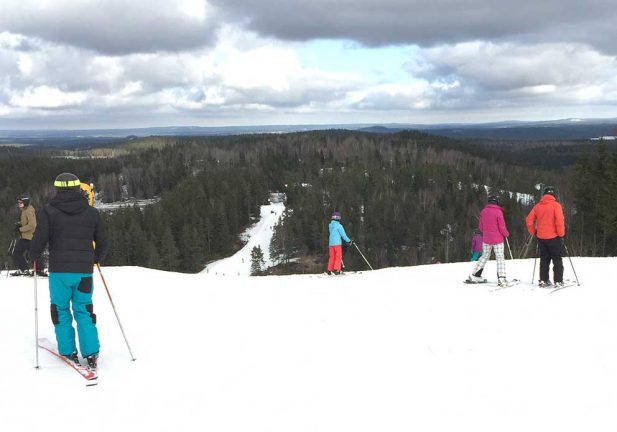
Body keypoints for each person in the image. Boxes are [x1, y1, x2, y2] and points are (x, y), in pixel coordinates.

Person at [30, 173, 109, 371]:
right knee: (84, 310)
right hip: (83, 272)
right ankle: (91, 352)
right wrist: (96, 258)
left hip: (60, 272)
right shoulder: (91, 212)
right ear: (77, 188)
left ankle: (68, 351)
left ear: (57, 189)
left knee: (61, 310)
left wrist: (31, 256)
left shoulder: (48, 211)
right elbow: (103, 241)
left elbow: (40, 239)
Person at [525, 185, 565, 288]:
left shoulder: (538, 206)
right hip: (554, 237)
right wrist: (561, 234)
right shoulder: (556, 205)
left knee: (544, 259)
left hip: (541, 237)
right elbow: (559, 221)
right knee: (557, 259)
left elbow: (529, 220)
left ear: (544, 194)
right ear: (553, 195)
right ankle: (558, 281)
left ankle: (543, 280)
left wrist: (533, 231)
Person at [467, 195, 510, 286]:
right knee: (500, 257)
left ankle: (475, 274)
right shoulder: (498, 212)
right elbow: (502, 227)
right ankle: (501, 278)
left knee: (484, 256)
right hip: (497, 239)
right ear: (497, 202)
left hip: (486, 239)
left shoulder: (483, 211)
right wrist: (506, 234)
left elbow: (481, 227)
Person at [10, 194, 37, 276]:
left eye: (21, 203)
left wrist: (21, 229)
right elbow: (27, 222)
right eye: (18, 203)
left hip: (29, 237)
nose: (19, 204)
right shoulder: (25, 210)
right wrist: (20, 224)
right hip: (27, 236)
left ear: (25, 202)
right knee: (31, 253)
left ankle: (25, 269)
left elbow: (33, 224)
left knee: (17, 252)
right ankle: (29, 269)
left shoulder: (28, 210)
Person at [327, 211, 352, 275]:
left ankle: (329, 270)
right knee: (338, 256)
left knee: (332, 256)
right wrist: (349, 241)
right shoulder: (339, 226)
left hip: (331, 244)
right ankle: (337, 270)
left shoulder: (330, 225)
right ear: (338, 218)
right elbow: (343, 235)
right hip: (337, 243)